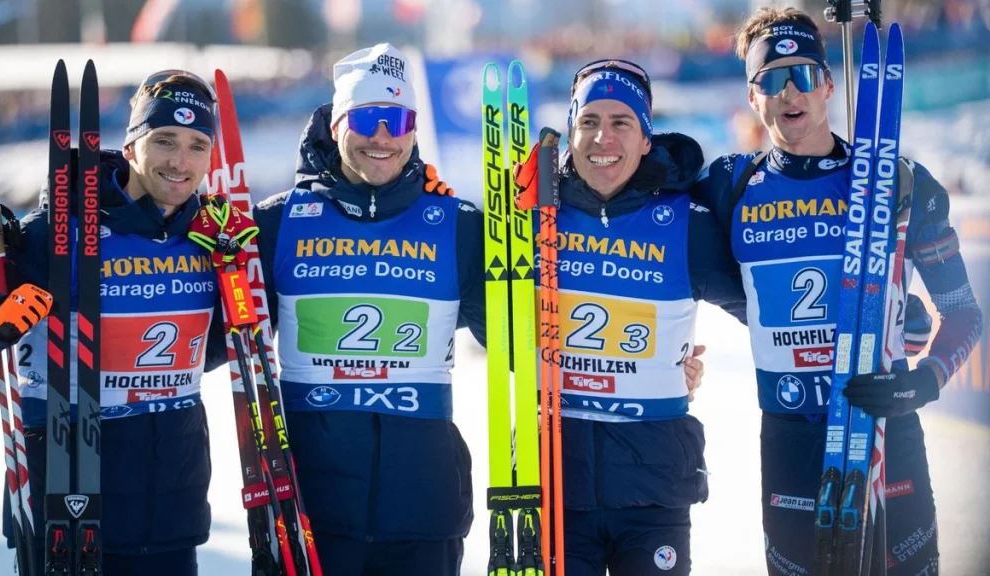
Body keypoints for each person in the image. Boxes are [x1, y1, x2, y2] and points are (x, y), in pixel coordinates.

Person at [693, 7, 984, 574]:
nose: (788, 92)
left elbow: (965, 313)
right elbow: (714, 278)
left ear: (828, 84)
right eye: (770, 81)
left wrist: (923, 380)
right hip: (791, 442)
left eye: (802, 74)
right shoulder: (731, 186)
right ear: (753, 99)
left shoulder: (898, 182)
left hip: (884, 432)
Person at [0, 70, 234, 575]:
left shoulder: (211, 238)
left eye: (198, 145)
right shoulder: (52, 235)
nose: (180, 161)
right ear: (131, 145)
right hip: (64, 512)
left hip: (170, 515)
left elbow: (218, 344)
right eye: (164, 141)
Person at [251, 43, 485, 575]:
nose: (382, 136)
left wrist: (664, 363)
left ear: (413, 129)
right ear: (336, 125)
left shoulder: (459, 225)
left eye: (396, 119)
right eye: (366, 118)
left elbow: (511, 339)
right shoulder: (277, 224)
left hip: (423, 514)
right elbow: (213, 342)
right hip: (310, 513)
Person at [511, 58, 748, 576]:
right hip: (555, 483)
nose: (603, 139)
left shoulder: (687, 224)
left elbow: (766, 308)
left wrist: (872, 308)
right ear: (571, 131)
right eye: (589, 122)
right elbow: (490, 321)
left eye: (622, 123)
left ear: (646, 139)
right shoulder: (533, 218)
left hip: (653, 491)